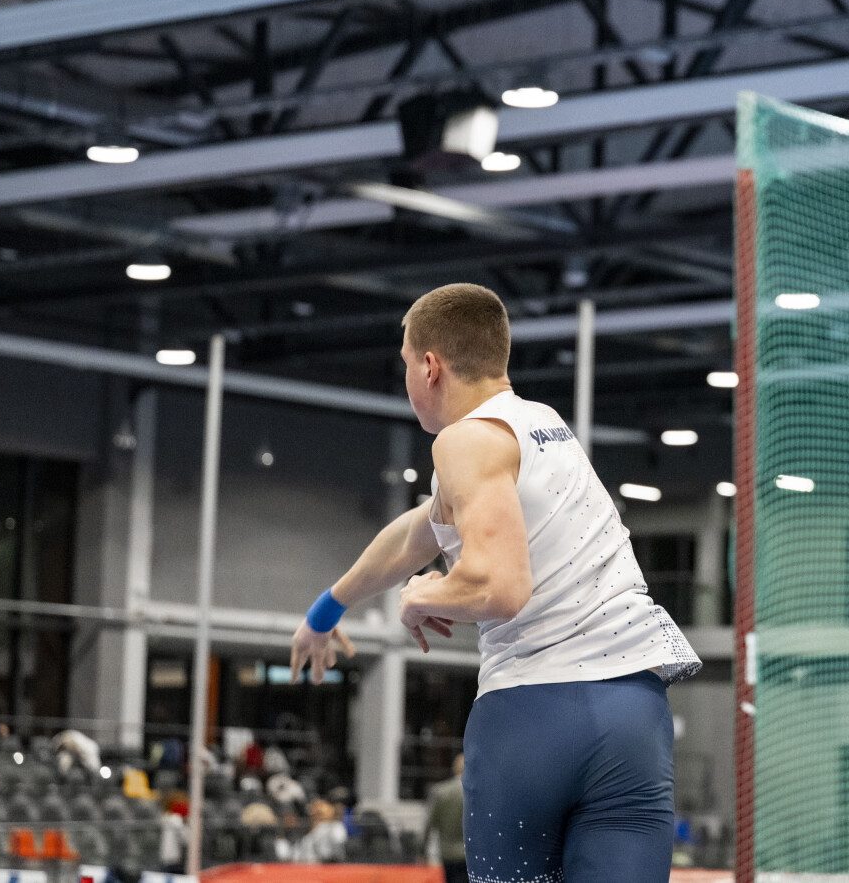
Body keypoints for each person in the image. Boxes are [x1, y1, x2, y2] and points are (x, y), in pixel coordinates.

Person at [289, 282, 701, 883]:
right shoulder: (542, 425)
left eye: (405, 364)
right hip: (633, 716)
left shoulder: (462, 441)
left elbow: (500, 587)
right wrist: (326, 611)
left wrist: (421, 596)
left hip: (534, 717)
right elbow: (414, 536)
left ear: (430, 367)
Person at [426, 754, 468, 883]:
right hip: (469, 854)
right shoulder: (475, 794)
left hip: (447, 853)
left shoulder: (440, 791)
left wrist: (421, 850)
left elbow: (429, 823)